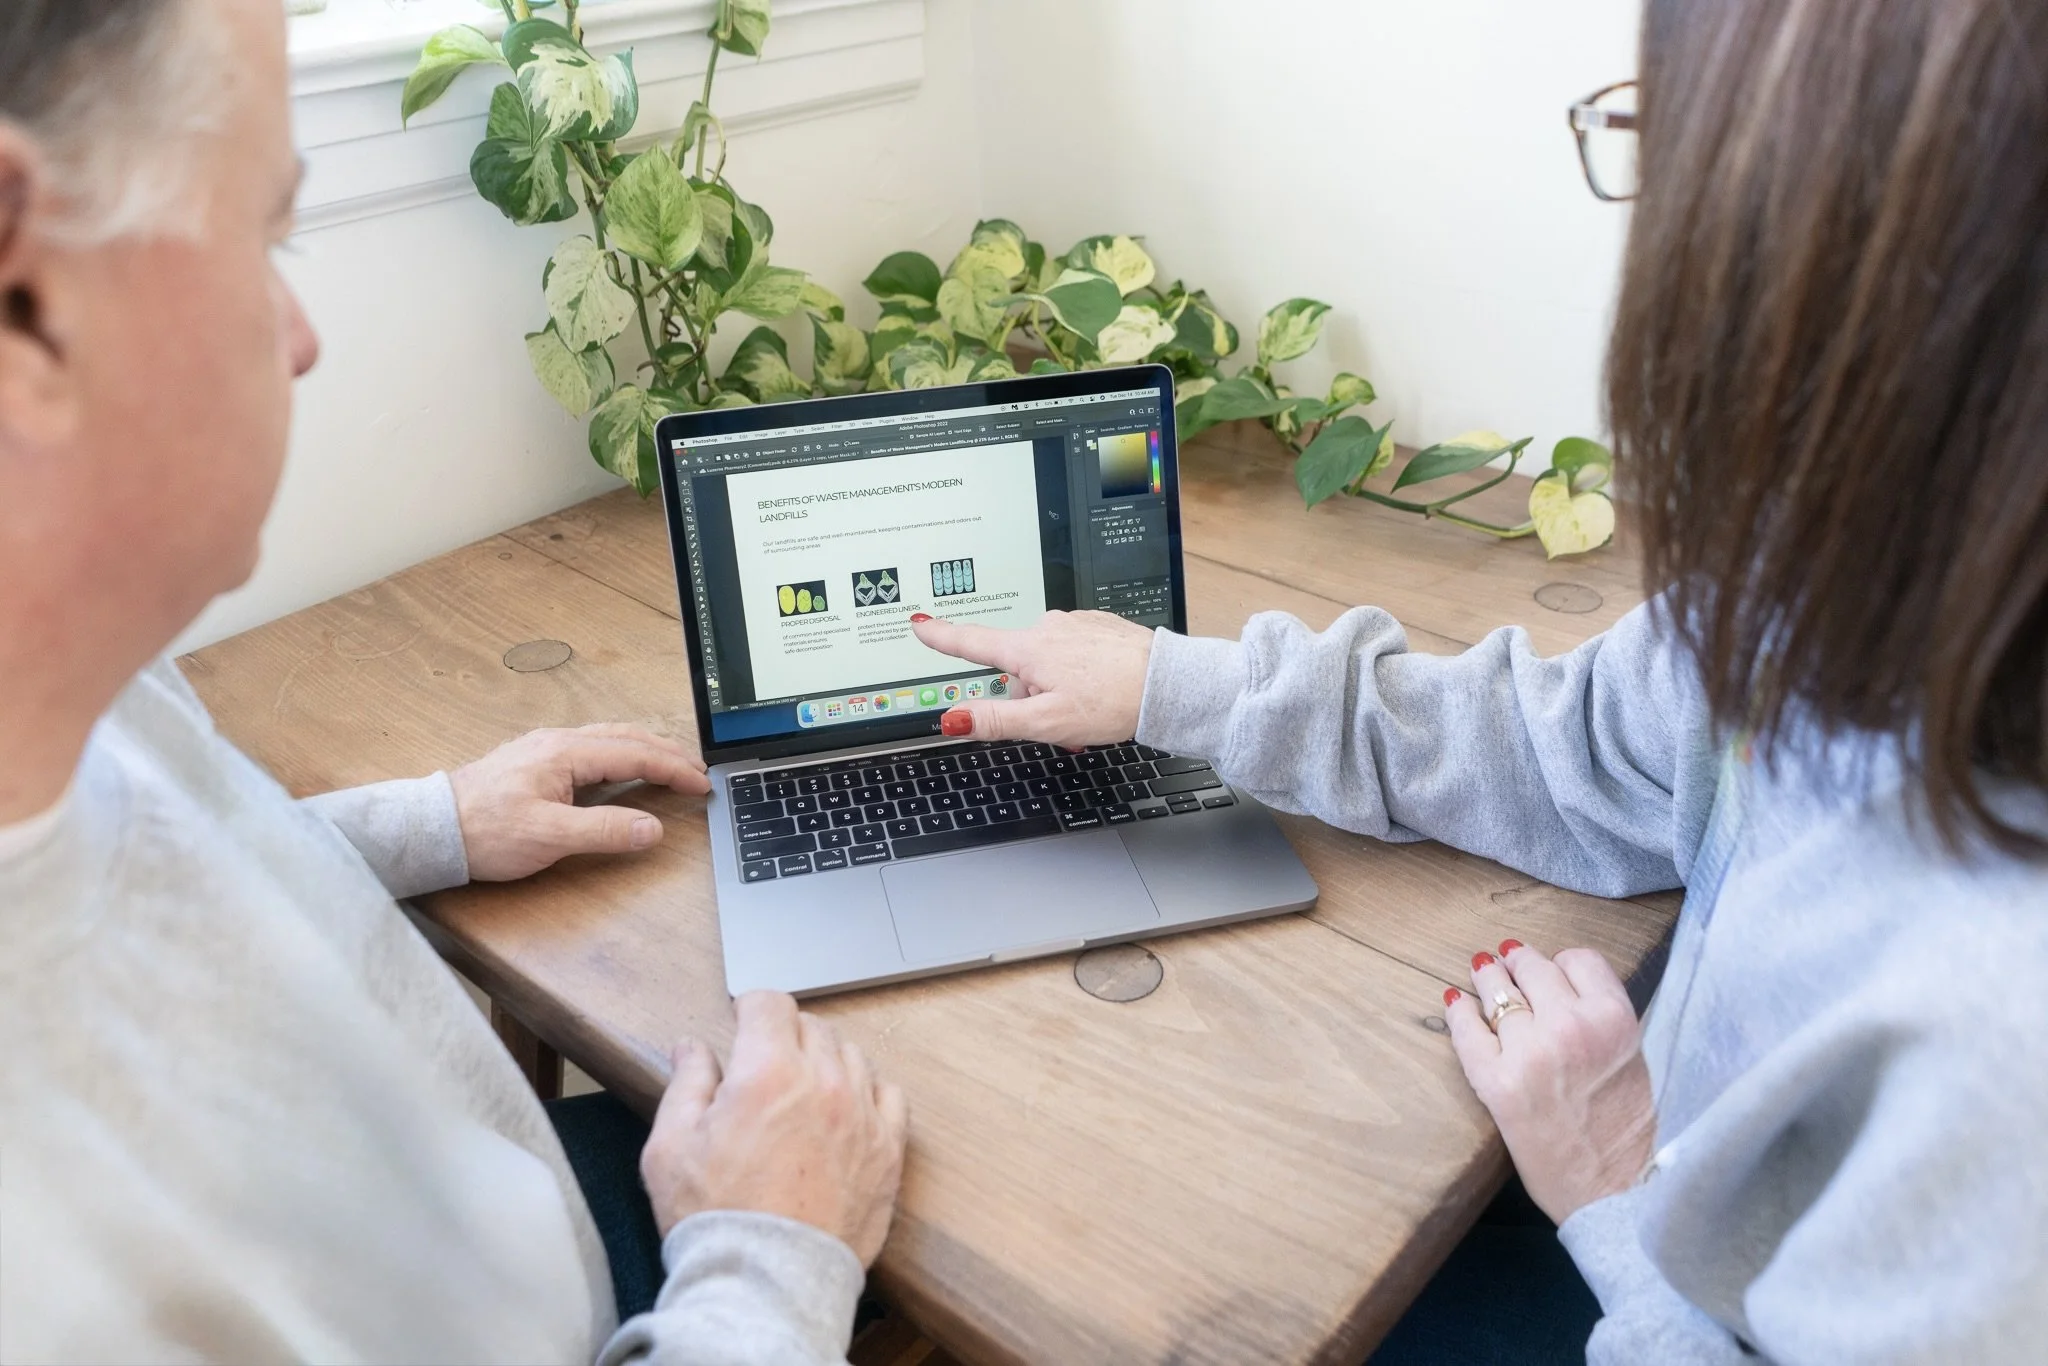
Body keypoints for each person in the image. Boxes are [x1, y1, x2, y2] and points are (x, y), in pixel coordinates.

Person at [909, 0, 2048, 1360]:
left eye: (1671, 138)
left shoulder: (2002, 1044)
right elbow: (1557, 738)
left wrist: (1613, 1180)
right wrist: (1170, 686)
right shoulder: (1822, 602)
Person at [0, 1, 905, 1362]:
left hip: (522, 1225)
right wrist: (771, 1253)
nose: (300, 336)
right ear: (24, 297)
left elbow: (148, 880)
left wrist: (433, 820)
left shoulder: (76, 661)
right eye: (266, 233)